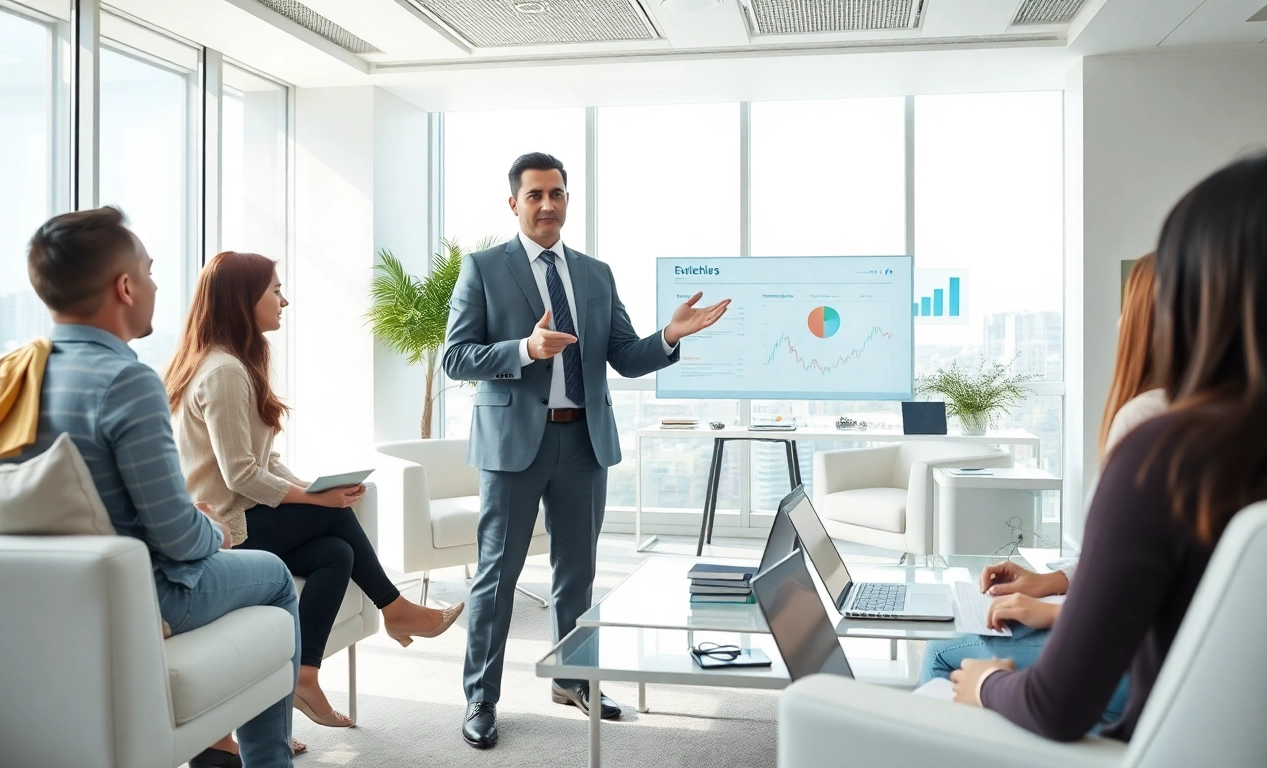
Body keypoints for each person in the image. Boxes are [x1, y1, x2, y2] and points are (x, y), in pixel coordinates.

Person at [948, 151, 1267, 741]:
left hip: (1156, 750)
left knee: (947, 668)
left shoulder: (1167, 456)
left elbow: (1058, 706)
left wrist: (986, 683)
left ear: (1192, 296)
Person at [443, 152, 731, 749]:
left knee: (577, 574)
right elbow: (456, 357)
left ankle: (573, 679)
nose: (547, 205)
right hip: (513, 445)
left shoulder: (595, 273)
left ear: (568, 198)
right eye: (534, 195)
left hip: (584, 440)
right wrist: (523, 349)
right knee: (497, 576)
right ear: (514, 203)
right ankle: (481, 697)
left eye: (557, 194)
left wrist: (672, 335)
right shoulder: (483, 269)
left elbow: (624, 356)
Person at [1, 208, 300, 768]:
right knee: (277, 576)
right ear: (125, 286)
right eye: (152, 272)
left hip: (43, 596)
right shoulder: (126, 380)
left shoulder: (17, 370)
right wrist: (212, 527)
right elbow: (178, 539)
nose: (158, 286)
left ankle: (214, 752)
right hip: (146, 593)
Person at [164, 251, 463, 740]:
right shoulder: (223, 372)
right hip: (225, 529)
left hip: (243, 513)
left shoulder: (236, 363)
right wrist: (317, 502)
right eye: (275, 291)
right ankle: (396, 608)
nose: (285, 301)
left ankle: (304, 676)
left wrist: (314, 489)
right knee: (335, 521)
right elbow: (240, 475)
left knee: (335, 552)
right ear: (244, 301)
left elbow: (264, 461)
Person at [919, 253, 1164, 726]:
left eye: (1128, 308)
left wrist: (1045, 620)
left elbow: (1130, 610)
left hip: (1136, 671)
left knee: (947, 653)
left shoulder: (1149, 421)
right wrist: (1050, 584)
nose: (1117, 323)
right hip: (1156, 662)